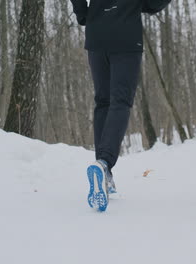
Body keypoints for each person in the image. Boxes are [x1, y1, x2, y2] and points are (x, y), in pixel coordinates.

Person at [70, 0, 171, 212]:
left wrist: (82, 14)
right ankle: (104, 163)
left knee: (103, 102)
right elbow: (153, 4)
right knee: (120, 102)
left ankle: (104, 173)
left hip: (97, 35)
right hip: (126, 36)